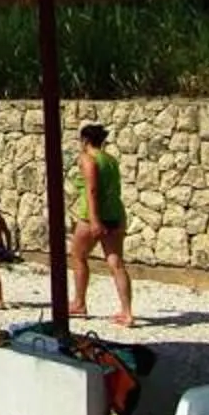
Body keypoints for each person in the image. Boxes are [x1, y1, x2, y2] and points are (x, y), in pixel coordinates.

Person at [70, 124, 134, 330]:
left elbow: (92, 189)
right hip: (114, 214)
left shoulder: (88, 159)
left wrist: (95, 219)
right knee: (116, 263)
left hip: (91, 217)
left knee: (78, 256)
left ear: (85, 140)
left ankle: (79, 302)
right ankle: (127, 312)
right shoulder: (111, 161)